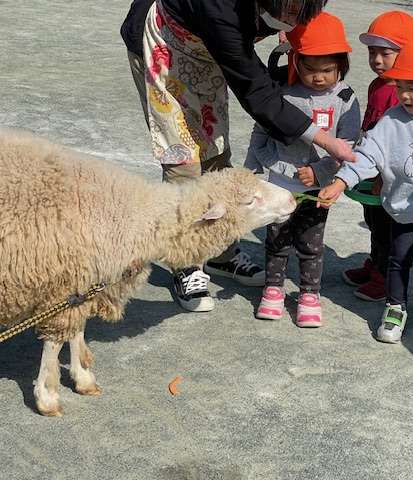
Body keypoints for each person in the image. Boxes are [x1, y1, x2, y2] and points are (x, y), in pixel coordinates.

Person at [120, 0, 355, 312]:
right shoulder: (219, 7)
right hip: (166, 46)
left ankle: (221, 251)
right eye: (290, 11)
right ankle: (186, 261)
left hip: (207, 52)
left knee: (216, 149)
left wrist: (292, 28)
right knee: (184, 160)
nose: (293, 19)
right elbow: (256, 90)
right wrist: (325, 140)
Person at [319, 36, 413, 343]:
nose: (404, 95)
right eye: (400, 87)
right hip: (403, 203)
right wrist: (342, 180)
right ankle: (395, 306)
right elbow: (369, 153)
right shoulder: (392, 120)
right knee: (398, 259)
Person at [244, 12, 360, 327]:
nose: (319, 77)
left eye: (328, 70)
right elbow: (262, 128)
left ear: (342, 65)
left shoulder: (346, 99)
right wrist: (252, 164)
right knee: (276, 240)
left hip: (314, 190)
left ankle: (309, 294)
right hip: (279, 183)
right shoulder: (282, 91)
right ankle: (273, 289)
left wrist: (321, 172)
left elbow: (348, 145)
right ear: (296, 62)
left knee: (311, 244)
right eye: (310, 69)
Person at [341, 11, 413, 303]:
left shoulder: (405, 92)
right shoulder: (378, 84)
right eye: (372, 52)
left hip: (388, 176)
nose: (376, 60)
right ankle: (375, 263)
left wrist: (385, 177)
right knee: (373, 220)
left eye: (385, 53)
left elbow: (398, 141)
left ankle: (385, 278)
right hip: (370, 170)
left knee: (387, 226)